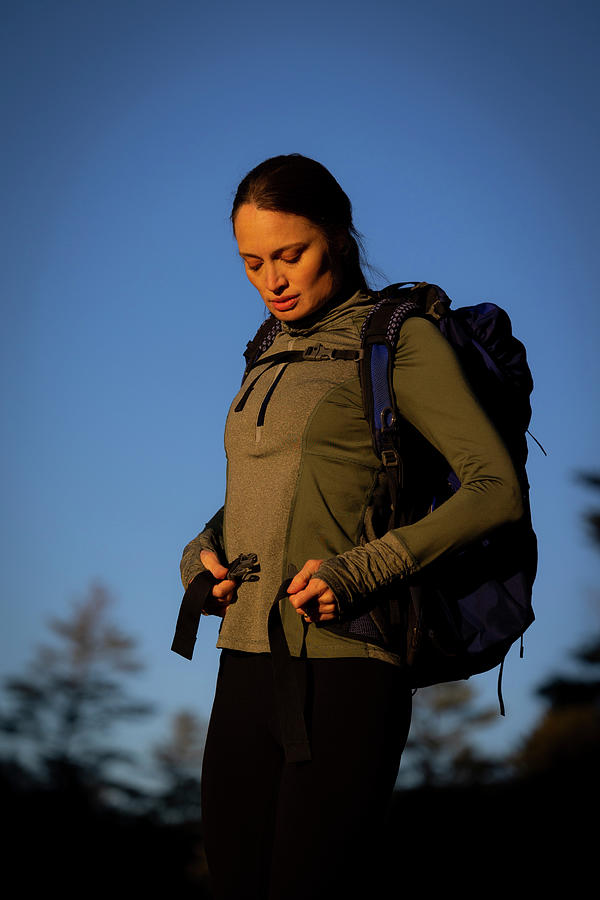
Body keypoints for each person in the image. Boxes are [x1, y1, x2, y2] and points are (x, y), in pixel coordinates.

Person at [180, 154, 523, 899]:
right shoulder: (266, 350)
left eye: (289, 255)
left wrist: (358, 571)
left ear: (336, 235)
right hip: (243, 663)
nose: (271, 280)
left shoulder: (396, 339)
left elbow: (496, 489)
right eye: (251, 263)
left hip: (348, 669)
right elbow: (271, 485)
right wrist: (203, 549)